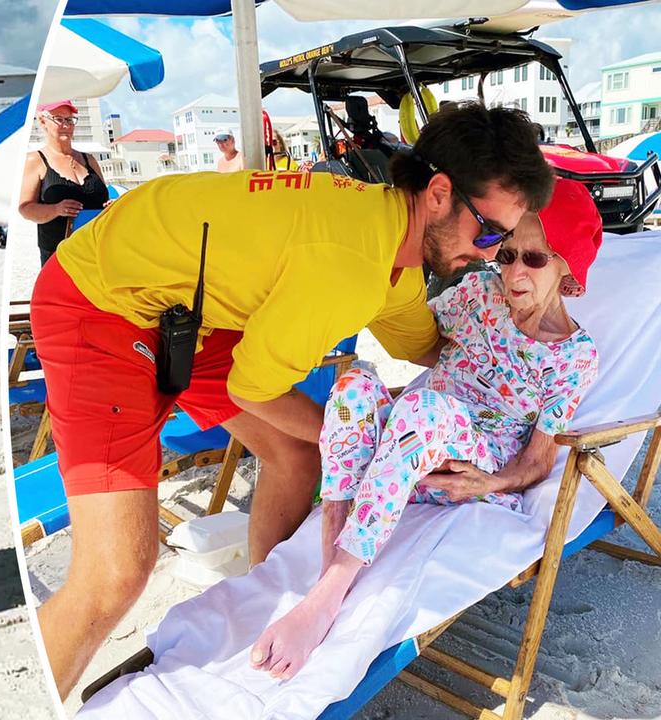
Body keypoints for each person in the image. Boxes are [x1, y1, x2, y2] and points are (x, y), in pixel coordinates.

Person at [29, 102, 556, 699]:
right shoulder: (351, 262)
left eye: (507, 241)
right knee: (116, 574)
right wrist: (373, 444)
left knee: (297, 456)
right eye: (488, 234)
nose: (491, 256)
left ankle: (265, 599)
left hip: (184, 308)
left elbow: (435, 348)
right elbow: (251, 388)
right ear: (438, 193)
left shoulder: (394, 251)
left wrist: (532, 353)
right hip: (99, 300)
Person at [251, 177, 601, 679]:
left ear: (567, 270)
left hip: (464, 463)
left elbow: (539, 459)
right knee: (354, 386)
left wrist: (493, 482)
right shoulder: (479, 294)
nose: (514, 272)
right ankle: (333, 552)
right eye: (507, 256)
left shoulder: (573, 356)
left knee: (422, 410)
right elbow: (410, 327)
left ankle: (329, 595)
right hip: (406, 450)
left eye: (535, 258)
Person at [18, 99, 109, 266]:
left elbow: (103, 202)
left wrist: (110, 206)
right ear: (43, 121)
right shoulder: (35, 160)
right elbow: (25, 208)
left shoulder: (89, 160)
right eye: (59, 119)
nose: (66, 125)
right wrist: (56, 209)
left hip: (96, 252)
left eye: (69, 120)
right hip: (58, 255)